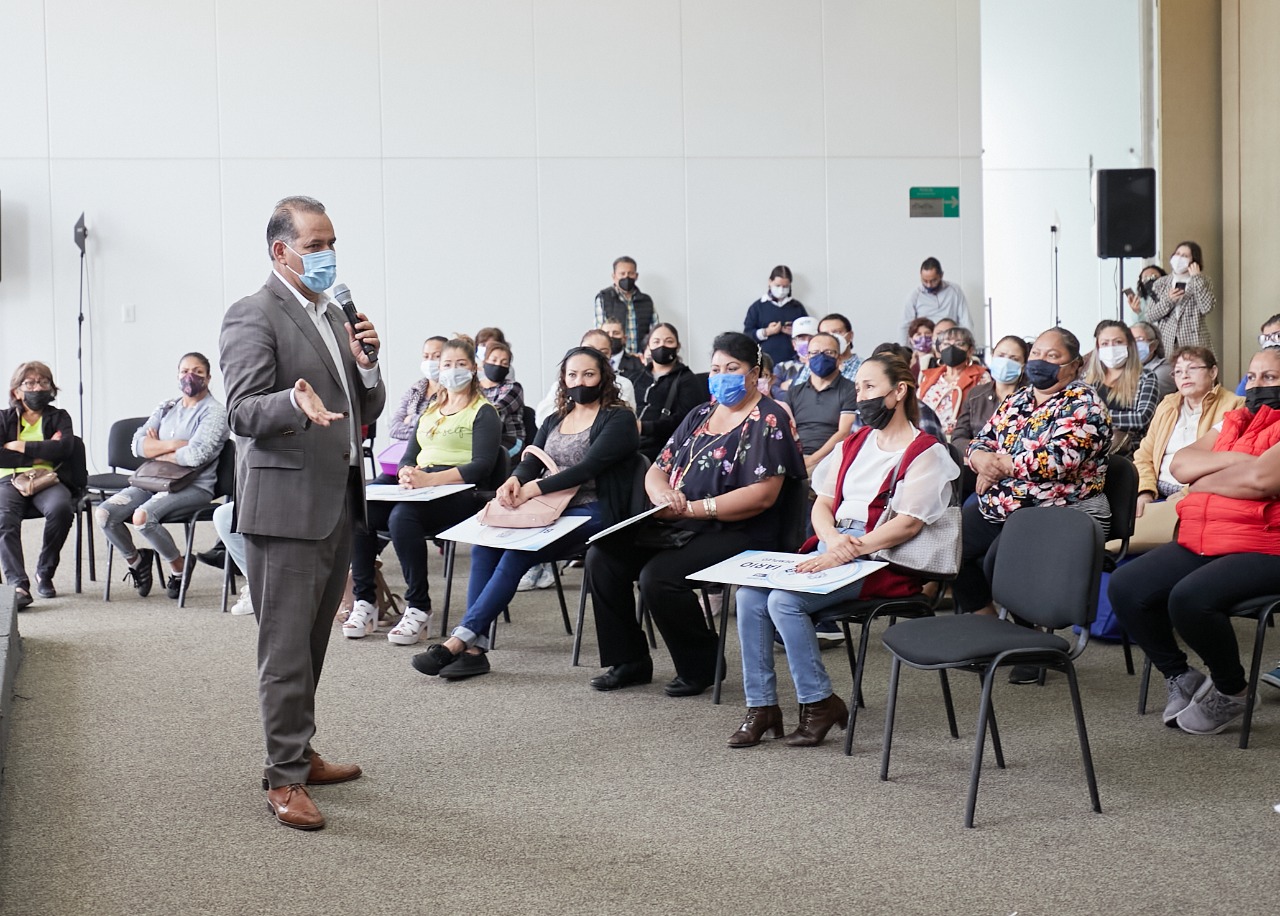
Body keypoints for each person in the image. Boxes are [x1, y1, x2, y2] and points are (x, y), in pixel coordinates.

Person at [219, 195, 385, 831]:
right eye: (314, 244)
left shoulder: (332, 313)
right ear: (280, 250)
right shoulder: (252, 314)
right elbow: (242, 412)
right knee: (285, 647)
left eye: (332, 242)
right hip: (285, 503)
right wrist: (291, 401)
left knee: (313, 641)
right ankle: (283, 778)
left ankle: (300, 750)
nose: (327, 254)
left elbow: (362, 405)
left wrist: (367, 363)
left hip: (336, 495)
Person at [729, 353, 958, 747]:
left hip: (884, 559)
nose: (861, 395)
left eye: (869, 387)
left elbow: (908, 524)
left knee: (784, 602)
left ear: (898, 391)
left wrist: (847, 551)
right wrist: (832, 541)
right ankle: (762, 707)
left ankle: (819, 703)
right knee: (749, 596)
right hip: (837, 545)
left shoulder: (926, 452)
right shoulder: (854, 442)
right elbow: (822, 502)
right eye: (858, 388)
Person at [587, 332, 807, 698]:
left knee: (658, 577)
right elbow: (658, 468)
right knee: (602, 557)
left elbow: (763, 496)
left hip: (741, 528)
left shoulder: (768, 418)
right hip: (681, 520)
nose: (722, 376)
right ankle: (630, 660)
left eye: (732, 368)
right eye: (716, 368)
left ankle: (701, 664)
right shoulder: (701, 414)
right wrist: (663, 495)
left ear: (754, 373)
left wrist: (694, 508)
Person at [411, 346, 639, 680]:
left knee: (516, 554)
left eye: (588, 374)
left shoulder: (618, 417)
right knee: (486, 545)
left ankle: (460, 641)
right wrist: (516, 481)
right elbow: (531, 459)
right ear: (563, 379)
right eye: (572, 375)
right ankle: (474, 650)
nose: (580, 382)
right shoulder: (555, 418)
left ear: (604, 377)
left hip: (593, 510)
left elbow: (589, 468)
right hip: (547, 509)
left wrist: (534, 488)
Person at [1108, 348, 1280, 735]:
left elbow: (1263, 482)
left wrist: (1208, 477)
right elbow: (1181, 465)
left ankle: (1232, 689)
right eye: (1252, 377)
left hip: (1266, 545)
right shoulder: (1236, 420)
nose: (1257, 385)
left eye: (1270, 378)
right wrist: (1239, 462)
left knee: (1188, 600)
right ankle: (1180, 676)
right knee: (1126, 587)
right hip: (1205, 536)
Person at [346, 339, 501, 645]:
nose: (453, 370)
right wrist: (406, 471)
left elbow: (483, 466)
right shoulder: (431, 410)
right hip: (421, 484)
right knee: (359, 508)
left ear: (473, 368)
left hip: (461, 491)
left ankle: (418, 607)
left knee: (403, 518)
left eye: (460, 364)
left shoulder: (484, 411)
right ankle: (365, 600)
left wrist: (433, 480)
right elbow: (409, 454)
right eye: (447, 365)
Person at [959, 328, 1112, 619]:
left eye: (1053, 356)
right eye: (1037, 354)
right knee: (950, 548)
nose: (1042, 361)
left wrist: (1000, 466)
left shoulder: (1085, 405)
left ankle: (1028, 640)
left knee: (999, 564)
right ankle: (987, 621)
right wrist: (980, 458)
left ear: (1075, 364)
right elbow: (981, 439)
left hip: (1054, 512)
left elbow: (1057, 460)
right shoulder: (1018, 399)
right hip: (1002, 505)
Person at [96, 353, 229, 599]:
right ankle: (137, 562)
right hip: (153, 480)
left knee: (143, 518)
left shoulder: (214, 413)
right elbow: (137, 446)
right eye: (185, 371)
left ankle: (179, 566)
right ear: (178, 375)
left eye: (198, 372)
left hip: (193, 485)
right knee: (105, 515)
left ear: (208, 378)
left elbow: (196, 456)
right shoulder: (167, 407)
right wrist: (176, 445)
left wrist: (157, 449)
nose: (190, 376)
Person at [1128, 346, 1243, 552]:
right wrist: (1144, 491)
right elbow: (1144, 455)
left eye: (1192, 368)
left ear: (1213, 372)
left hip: (1199, 497)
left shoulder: (1234, 405)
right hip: (1157, 494)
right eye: (1178, 371)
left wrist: (1186, 492)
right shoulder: (1168, 405)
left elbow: (1226, 464)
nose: (1184, 376)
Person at [0, 361, 76, 609]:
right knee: (4, 516)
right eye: (30, 383)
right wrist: (44, 451)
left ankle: (45, 571)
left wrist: (19, 446)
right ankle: (18, 585)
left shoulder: (59, 417)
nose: (37, 388)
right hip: (10, 479)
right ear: (16, 391)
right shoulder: (3, 419)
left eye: (43, 382)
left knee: (62, 508)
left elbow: (65, 449)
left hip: (48, 479)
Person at [1083, 320, 1159, 458]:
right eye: (1105, 343)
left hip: (1129, 454)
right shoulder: (1087, 381)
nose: (1111, 348)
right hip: (1089, 453)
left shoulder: (1146, 377)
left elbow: (1141, 418)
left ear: (1129, 345)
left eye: (1118, 342)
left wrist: (1095, 415)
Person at [786, 332, 858, 471]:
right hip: (795, 457)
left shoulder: (850, 389)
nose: (821, 357)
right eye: (815, 352)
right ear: (807, 357)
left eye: (828, 352)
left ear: (839, 358)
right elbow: (786, 431)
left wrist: (810, 461)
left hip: (830, 459)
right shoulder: (794, 392)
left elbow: (843, 432)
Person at [636, 323, 706, 462]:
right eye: (656, 341)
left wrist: (645, 427)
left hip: (663, 447)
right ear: (648, 347)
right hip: (632, 442)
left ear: (677, 346)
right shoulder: (637, 377)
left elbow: (686, 419)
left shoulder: (686, 379)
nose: (662, 346)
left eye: (669, 341)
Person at [951, 334, 1029, 459]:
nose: (1005, 363)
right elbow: (958, 438)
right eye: (1001, 356)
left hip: (1014, 468)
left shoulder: (1030, 398)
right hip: (977, 464)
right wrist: (979, 454)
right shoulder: (975, 395)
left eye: (1014, 359)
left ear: (1024, 365)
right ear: (992, 357)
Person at [534, 329, 636, 423]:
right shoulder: (563, 384)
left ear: (610, 355)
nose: (594, 356)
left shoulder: (623, 384)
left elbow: (622, 420)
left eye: (602, 352)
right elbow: (542, 417)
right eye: (588, 349)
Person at [917, 325, 989, 437]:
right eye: (946, 344)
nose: (951, 348)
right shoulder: (929, 376)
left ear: (970, 350)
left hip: (958, 438)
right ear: (939, 349)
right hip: (925, 435)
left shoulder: (980, 376)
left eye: (959, 344)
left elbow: (983, 414)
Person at [1147, 240, 1215, 354]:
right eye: (1177, 254)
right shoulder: (1160, 283)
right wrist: (1168, 300)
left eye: (1185, 256)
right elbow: (1150, 315)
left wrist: (1196, 278)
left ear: (1194, 261)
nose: (1179, 258)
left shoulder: (1204, 281)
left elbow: (1206, 308)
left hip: (1194, 340)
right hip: (1168, 342)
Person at [743, 265, 809, 366]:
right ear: (770, 282)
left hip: (793, 362)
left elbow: (809, 334)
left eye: (785, 287)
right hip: (765, 363)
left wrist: (795, 332)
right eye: (778, 286)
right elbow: (747, 335)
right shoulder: (758, 307)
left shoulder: (797, 307)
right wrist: (766, 332)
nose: (781, 290)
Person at [594, 256, 657, 355]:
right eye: (622, 273)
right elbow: (599, 333)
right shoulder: (603, 298)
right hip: (614, 358)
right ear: (614, 276)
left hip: (641, 358)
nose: (626, 277)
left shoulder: (646, 300)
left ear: (636, 276)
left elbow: (655, 331)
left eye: (630, 273)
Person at [388, 336, 446, 441]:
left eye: (437, 356)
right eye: (426, 356)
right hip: (406, 452)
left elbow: (445, 431)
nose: (430, 361)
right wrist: (426, 432)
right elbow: (394, 429)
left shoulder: (453, 392)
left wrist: (411, 419)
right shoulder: (415, 390)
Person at [901, 256, 971, 342]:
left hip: (949, 340)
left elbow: (966, 322)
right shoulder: (914, 296)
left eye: (933, 281)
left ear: (941, 275)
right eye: (925, 281)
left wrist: (968, 344)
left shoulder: (955, 291)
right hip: (925, 343)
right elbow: (905, 326)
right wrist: (906, 351)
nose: (929, 285)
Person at [477, 339, 526, 454]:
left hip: (508, 441)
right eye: (493, 360)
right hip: (478, 440)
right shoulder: (473, 387)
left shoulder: (513, 387)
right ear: (484, 362)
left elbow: (495, 412)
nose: (498, 365)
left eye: (504, 363)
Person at [793, 313, 861, 386]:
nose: (831, 338)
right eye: (825, 334)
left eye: (837, 332)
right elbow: (797, 393)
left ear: (850, 336)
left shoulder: (863, 367)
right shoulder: (813, 365)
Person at [773, 315, 819, 396]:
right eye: (802, 338)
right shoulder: (781, 367)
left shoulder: (826, 365)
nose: (807, 342)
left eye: (811, 338)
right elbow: (774, 392)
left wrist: (790, 384)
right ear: (794, 344)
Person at [1234, 314, 1280, 395]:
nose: (1269, 343)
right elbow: (1240, 397)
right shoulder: (1253, 377)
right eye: (1265, 338)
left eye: (1277, 336)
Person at [1130, 321, 1176, 400]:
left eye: (1139, 340)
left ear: (1153, 346)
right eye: (1130, 340)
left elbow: (1141, 400)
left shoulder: (1165, 370)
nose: (1133, 344)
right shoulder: (1127, 368)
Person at [600, 316, 647, 387]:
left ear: (624, 338)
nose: (611, 336)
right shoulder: (594, 362)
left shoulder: (637, 363)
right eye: (606, 333)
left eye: (616, 333)